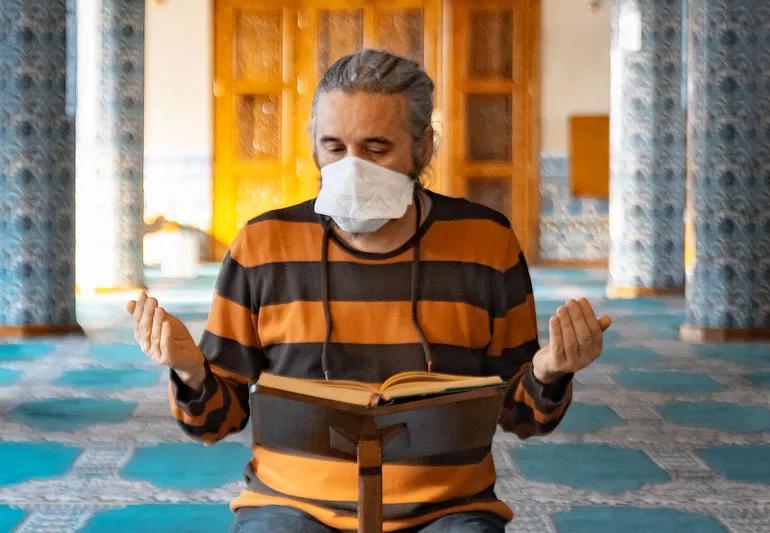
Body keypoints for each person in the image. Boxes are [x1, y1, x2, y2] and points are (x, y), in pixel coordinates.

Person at [126, 49, 612, 533]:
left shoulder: (487, 242)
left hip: (447, 508)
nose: (352, 167)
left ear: (423, 149)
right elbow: (215, 422)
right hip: (293, 505)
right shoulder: (263, 245)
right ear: (314, 147)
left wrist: (550, 372)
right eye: (334, 147)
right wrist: (190, 370)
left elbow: (522, 417)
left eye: (376, 148)